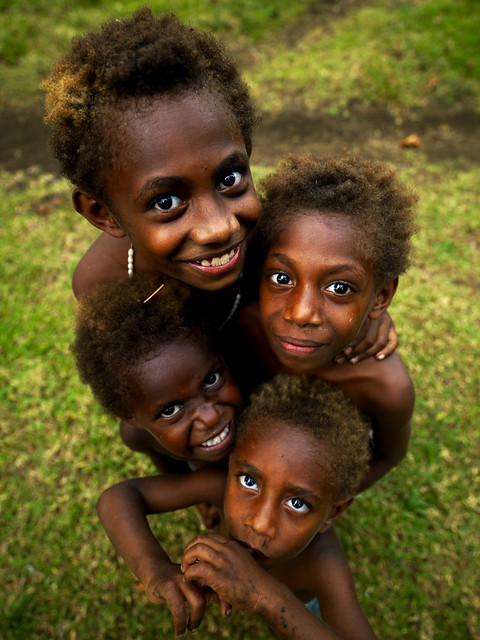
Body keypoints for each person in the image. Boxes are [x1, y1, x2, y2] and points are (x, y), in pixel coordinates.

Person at [96, 374, 376, 639]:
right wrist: (154, 568)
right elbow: (119, 497)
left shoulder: (323, 564)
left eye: (297, 503)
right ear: (231, 465)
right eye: (249, 481)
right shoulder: (219, 484)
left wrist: (266, 598)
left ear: (334, 513)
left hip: (297, 608)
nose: (260, 523)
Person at [235, 153, 418, 490]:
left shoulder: (386, 388)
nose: (301, 313)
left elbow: (388, 457)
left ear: (380, 297)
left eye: (339, 287)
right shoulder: (243, 327)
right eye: (281, 277)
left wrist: (324, 503)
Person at [72, 275, 242, 473]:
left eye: (211, 380)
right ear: (131, 417)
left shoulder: (258, 401)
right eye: (170, 410)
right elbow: (174, 476)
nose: (210, 417)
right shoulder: (137, 438)